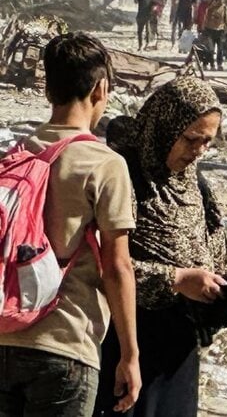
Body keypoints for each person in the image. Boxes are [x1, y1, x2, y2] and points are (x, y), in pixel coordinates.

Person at [0, 33, 140, 416]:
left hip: (5, 338)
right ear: (101, 88)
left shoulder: (17, 153)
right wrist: (130, 354)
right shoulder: (105, 163)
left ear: (48, 89)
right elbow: (117, 266)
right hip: (65, 345)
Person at [97, 77, 227, 416]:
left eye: (207, 142)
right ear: (164, 126)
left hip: (179, 349)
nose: (198, 150)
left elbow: (218, 244)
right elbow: (102, 264)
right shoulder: (123, 175)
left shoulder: (193, 184)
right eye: (190, 139)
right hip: (126, 339)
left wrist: (224, 288)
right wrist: (174, 279)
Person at [201, 0, 227, 71]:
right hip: (210, 30)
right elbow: (206, 19)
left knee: (220, 49)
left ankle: (219, 64)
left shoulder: (224, 8)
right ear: (216, 0)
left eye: (222, 0)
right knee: (210, 49)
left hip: (220, 31)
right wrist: (203, 29)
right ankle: (211, 64)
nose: (221, 2)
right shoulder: (210, 8)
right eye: (219, 0)